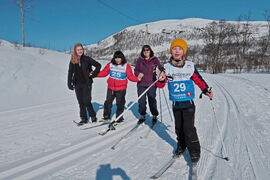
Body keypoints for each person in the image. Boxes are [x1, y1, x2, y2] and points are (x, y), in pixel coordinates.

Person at [156, 38, 213, 166]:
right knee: (179, 128)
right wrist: (160, 79)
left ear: (184, 52)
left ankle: (194, 151)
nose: (177, 51)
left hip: (188, 104)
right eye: (174, 49)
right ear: (171, 51)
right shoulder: (166, 67)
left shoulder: (190, 66)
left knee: (189, 128)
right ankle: (181, 146)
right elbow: (160, 85)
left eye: (180, 49)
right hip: (176, 104)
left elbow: (198, 79)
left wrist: (205, 89)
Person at [97, 51, 144, 123]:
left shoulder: (126, 66)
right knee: (108, 102)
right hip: (111, 88)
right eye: (116, 58)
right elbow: (104, 73)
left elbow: (130, 76)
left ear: (122, 58)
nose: (117, 60)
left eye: (119, 58)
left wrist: (138, 79)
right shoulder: (110, 65)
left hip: (121, 89)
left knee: (120, 103)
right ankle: (106, 117)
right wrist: (94, 74)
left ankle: (119, 117)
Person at [67, 43, 101, 125]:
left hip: (87, 83)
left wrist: (93, 73)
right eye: (78, 50)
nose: (80, 51)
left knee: (87, 101)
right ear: (75, 51)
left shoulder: (87, 59)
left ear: (83, 50)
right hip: (77, 84)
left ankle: (93, 116)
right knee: (80, 102)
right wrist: (69, 83)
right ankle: (83, 118)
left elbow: (98, 65)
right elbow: (70, 72)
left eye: (81, 49)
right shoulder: (73, 60)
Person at [134, 45, 164, 124]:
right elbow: (136, 70)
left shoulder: (154, 59)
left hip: (152, 83)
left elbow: (160, 67)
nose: (146, 51)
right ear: (142, 52)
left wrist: (160, 72)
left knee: (152, 100)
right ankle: (142, 115)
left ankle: (154, 115)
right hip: (141, 84)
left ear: (150, 51)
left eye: (147, 50)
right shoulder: (139, 60)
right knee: (141, 101)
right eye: (144, 50)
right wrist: (138, 74)